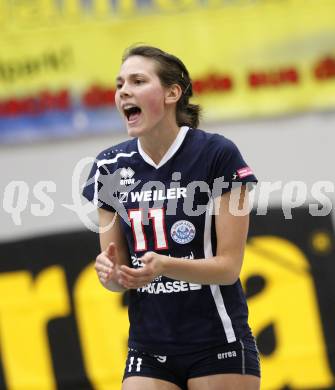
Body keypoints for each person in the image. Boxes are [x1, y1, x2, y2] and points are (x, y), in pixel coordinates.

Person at [83, 45, 261, 390]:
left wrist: (164, 266)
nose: (124, 91)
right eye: (120, 84)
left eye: (137, 81)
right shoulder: (108, 167)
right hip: (148, 347)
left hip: (217, 341)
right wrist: (111, 274)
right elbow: (118, 276)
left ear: (172, 93)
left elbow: (228, 268)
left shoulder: (217, 154)